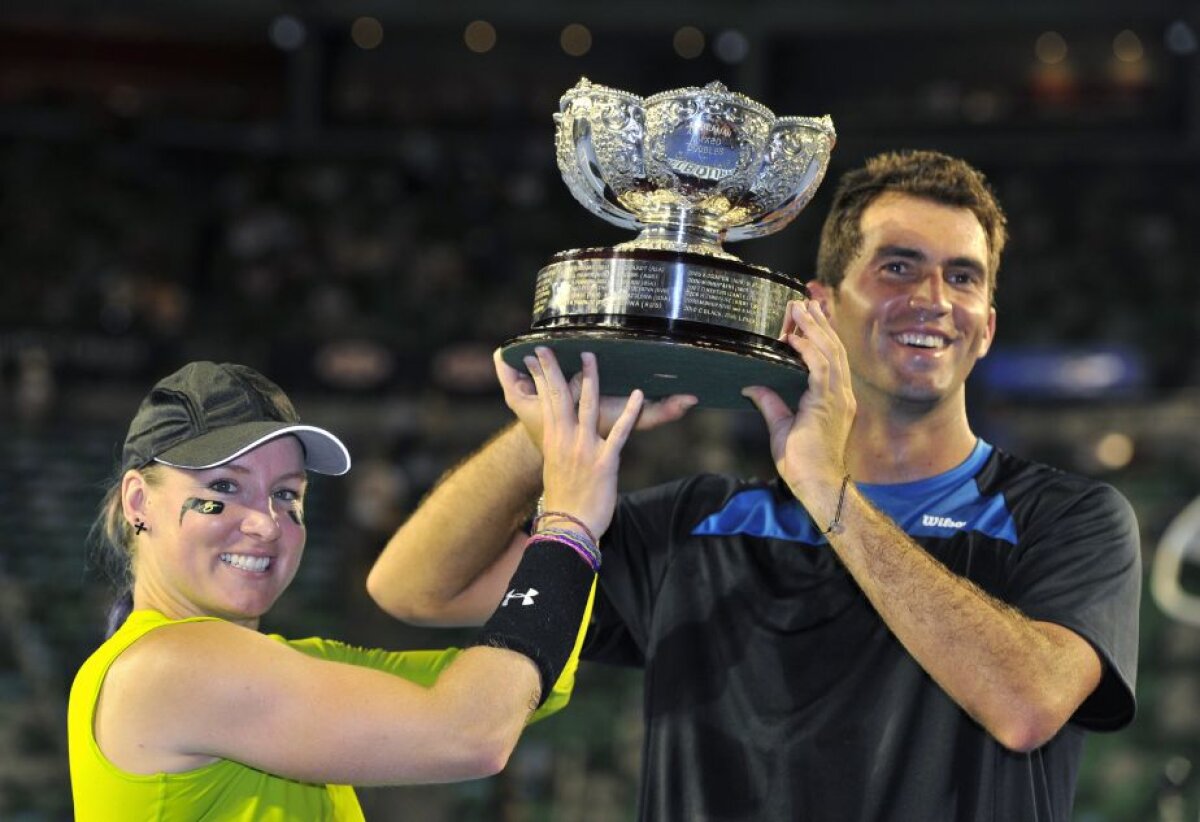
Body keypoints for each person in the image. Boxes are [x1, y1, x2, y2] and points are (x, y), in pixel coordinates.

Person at [366, 150, 1141, 821]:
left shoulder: (1067, 519)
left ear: (987, 325)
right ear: (823, 309)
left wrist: (829, 491)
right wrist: (540, 435)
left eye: (962, 277)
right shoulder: (697, 524)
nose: (934, 299)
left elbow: (1028, 706)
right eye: (898, 265)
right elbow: (419, 589)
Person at [68, 358, 644, 820]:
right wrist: (568, 526)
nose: (266, 523)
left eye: (287, 495)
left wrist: (547, 436)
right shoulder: (171, 668)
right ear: (139, 501)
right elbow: (468, 733)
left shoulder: (285, 668)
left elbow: (513, 692)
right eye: (224, 486)